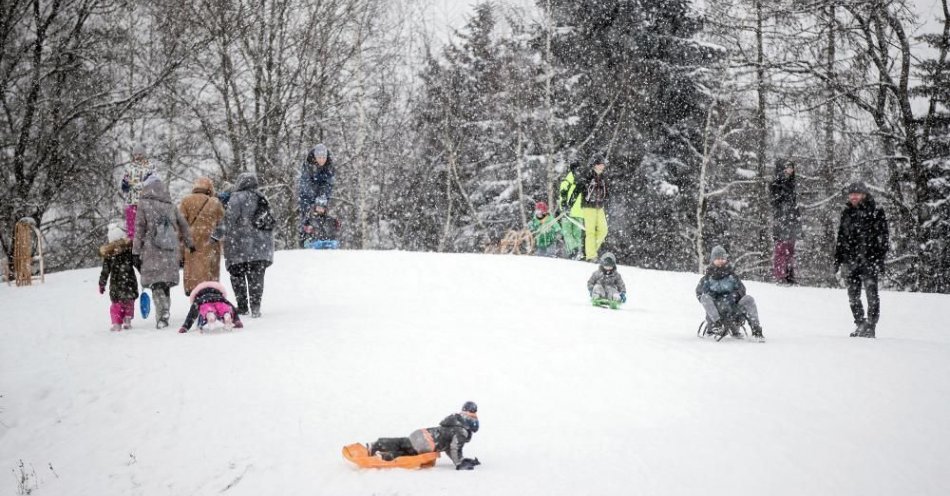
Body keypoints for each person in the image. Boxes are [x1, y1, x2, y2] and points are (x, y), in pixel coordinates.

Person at [132, 175, 195, 329]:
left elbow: (139, 228)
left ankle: (162, 315)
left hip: (152, 249)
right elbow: (184, 225)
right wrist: (190, 243)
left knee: (156, 283)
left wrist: (135, 251)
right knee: (164, 283)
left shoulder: (144, 204)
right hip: (170, 250)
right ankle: (165, 311)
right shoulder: (171, 205)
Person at [213, 172, 274, 318]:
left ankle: (242, 306)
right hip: (260, 248)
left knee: (237, 275)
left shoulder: (237, 198)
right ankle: (256, 306)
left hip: (238, 246)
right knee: (257, 278)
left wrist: (216, 235)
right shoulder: (262, 198)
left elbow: (229, 219)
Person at [833, 182, 889, 338]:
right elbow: (841, 238)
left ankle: (871, 325)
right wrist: (838, 260)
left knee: (872, 293)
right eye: (851, 194)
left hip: (870, 260)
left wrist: (878, 257)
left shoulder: (876, 211)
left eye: (857, 193)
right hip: (850, 260)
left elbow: (883, 238)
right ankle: (860, 323)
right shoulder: (847, 212)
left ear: (864, 194)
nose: (853, 196)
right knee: (853, 296)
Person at [367, 402, 480, 470]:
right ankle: (376, 445)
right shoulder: (462, 431)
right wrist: (459, 463)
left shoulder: (455, 423)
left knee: (406, 447)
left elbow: (449, 448)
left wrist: (460, 460)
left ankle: (384, 455)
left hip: (423, 434)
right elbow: (455, 447)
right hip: (427, 442)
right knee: (406, 449)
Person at [695, 246, 765, 341]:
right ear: (713, 260)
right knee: (705, 297)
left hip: (733, 310)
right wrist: (713, 296)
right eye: (717, 259)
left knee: (749, 299)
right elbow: (699, 293)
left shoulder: (732, 276)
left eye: (722, 258)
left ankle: (756, 329)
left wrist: (735, 295)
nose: (720, 261)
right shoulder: (707, 278)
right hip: (716, 310)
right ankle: (717, 325)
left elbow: (742, 290)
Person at [179, 177, 226, 295]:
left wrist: (181, 244)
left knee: (194, 275)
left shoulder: (186, 201)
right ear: (210, 188)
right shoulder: (215, 202)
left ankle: (196, 299)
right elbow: (223, 225)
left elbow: (180, 225)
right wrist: (214, 238)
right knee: (210, 273)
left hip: (191, 246)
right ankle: (211, 296)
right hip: (211, 245)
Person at [98, 222, 139, 332]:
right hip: (129, 281)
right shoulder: (129, 250)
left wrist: (102, 283)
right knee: (129, 302)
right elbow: (137, 263)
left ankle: (117, 323)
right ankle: (127, 320)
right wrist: (144, 274)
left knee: (117, 304)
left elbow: (105, 271)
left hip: (116, 283)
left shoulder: (110, 254)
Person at [769, 158, 801, 285]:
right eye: (788, 167)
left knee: (790, 250)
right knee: (781, 250)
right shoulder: (776, 184)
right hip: (781, 221)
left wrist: (797, 221)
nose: (790, 170)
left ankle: (789, 275)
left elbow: (794, 204)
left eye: (792, 167)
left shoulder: (792, 183)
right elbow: (775, 202)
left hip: (792, 221)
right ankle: (780, 275)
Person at [574, 153, 609, 261]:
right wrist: (568, 203)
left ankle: (590, 251)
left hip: (600, 206)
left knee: (603, 231)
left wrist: (607, 200)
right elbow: (577, 189)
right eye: (600, 164)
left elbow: (607, 192)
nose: (602, 166)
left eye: (603, 164)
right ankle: (591, 256)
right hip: (588, 206)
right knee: (590, 232)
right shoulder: (587, 175)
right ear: (595, 165)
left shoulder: (603, 176)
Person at [298, 144, 335, 245]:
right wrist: (314, 200)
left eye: (324, 157)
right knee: (307, 218)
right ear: (315, 157)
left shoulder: (329, 167)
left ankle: (323, 238)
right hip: (307, 197)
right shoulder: (308, 166)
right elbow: (305, 184)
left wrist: (322, 197)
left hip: (321, 197)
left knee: (322, 217)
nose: (322, 160)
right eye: (319, 157)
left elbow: (329, 183)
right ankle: (305, 240)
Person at [177, 281, 243, 333]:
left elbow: (191, 314)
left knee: (205, 307)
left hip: (204, 300)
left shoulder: (198, 298)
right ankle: (226, 314)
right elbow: (231, 307)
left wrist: (185, 327)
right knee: (223, 307)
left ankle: (209, 313)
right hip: (219, 299)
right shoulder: (219, 295)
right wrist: (237, 320)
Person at [120, 144, 155, 240]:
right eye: (135, 154)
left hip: (145, 200)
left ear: (144, 154)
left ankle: (148, 238)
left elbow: (153, 182)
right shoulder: (129, 168)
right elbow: (124, 185)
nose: (137, 157)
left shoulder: (150, 167)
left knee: (146, 222)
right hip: (131, 201)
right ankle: (131, 239)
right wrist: (126, 184)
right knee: (131, 223)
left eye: (140, 154)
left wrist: (140, 185)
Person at [557, 159, 585, 259]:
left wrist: (563, 206)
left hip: (569, 211)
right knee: (576, 234)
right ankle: (577, 252)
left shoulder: (567, 181)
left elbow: (562, 195)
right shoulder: (582, 181)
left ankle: (574, 251)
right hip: (579, 212)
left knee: (567, 233)